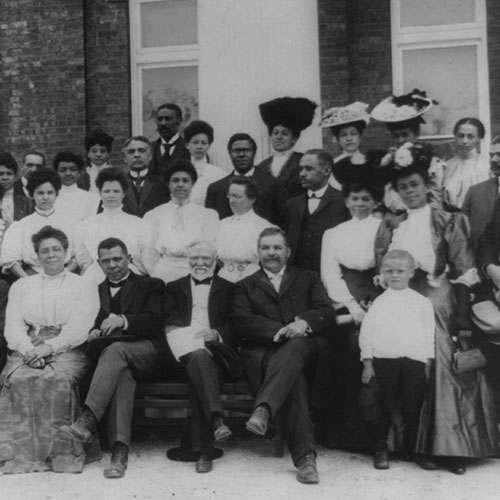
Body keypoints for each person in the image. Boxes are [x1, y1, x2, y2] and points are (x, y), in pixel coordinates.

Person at [377, 142, 499, 473]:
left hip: (439, 300)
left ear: (427, 184)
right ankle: (412, 446)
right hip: (404, 302)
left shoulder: (449, 219)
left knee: (444, 366)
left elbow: (462, 269)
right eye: (403, 187)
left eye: (414, 185)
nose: (409, 192)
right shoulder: (394, 223)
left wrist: (460, 313)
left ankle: (453, 448)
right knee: (406, 367)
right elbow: (384, 264)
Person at [232, 227, 336, 484]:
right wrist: (280, 330)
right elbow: (242, 321)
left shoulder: (308, 277)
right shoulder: (245, 286)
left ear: (287, 252)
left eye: (277, 247)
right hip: (265, 353)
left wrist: (302, 324)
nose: (271, 253)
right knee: (294, 381)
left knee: (297, 346)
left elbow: (325, 310)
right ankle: (306, 461)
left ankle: (264, 409)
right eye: (265, 248)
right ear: (258, 252)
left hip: (305, 349)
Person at [61, 237, 168, 479]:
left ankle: (88, 419)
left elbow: (155, 320)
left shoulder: (152, 284)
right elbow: (92, 321)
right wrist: (93, 331)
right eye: (106, 261)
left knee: (115, 350)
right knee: (121, 372)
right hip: (115, 363)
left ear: (128, 258)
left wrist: (122, 320)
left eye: (117, 259)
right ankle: (119, 452)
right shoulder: (95, 291)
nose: (112, 265)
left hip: (149, 352)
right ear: (98, 263)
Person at [0, 226, 99, 473]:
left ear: (66, 253)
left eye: (57, 249)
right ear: (37, 256)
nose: (51, 254)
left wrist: (50, 348)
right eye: (45, 251)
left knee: (57, 379)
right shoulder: (22, 286)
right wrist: (27, 350)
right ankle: (22, 453)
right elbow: (12, 325)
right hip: (29, 347)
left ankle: (60, 453)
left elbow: (81, 325)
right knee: (19, 378)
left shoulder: (83, 284)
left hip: (67, 345)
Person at [314, 180, 387, 449]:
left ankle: (375, 437)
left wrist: (374, 305)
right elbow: (329, 274)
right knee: (345, 351)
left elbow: (387, 267)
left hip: (378, 295)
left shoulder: (383, 228)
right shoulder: (333, 233)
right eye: (354, 198)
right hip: (344, 299)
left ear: (375, 202)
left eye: (366, 199)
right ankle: (342, 435)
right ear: (346, 201)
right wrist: (353, 307)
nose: (359, 204)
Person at [164, 240, 237, 473]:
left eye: (205, 258)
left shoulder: (230, 288)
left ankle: (203, 449)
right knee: (197, 358)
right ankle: (214, 429)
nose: (199, 263)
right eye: (194, 258)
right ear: (188, 260)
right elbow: (169, 322)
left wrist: (217, 333)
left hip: (217, 354)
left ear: (215, 261)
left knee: (201, 363)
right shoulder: (173, 287)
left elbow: (238, 325)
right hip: (181, 352)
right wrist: (187, 338)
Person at [360, 250, 435, 470]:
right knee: (386, 405)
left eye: (400, 271)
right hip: (386, 360)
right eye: (389, 271)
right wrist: (367, 362)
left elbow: (428, 333)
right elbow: (367, 333)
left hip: (414, 361)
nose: (394, 275)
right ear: (382, 272)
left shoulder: (422, 302)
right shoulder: (380, 302)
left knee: (413, 406)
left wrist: (428, 363)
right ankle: (381, 448)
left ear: (411, 273)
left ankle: (414, 449)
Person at [144, 159, 219, 284]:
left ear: (192, 184)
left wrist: (201, 274)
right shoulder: (155, 214)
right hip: (164, 272)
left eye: (185, 180)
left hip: (195, 271)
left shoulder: (207, 215)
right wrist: (157, 273)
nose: (180, 185)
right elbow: (148, 252)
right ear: (168, 184)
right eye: (175, 180)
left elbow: (211, 248)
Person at [371, 89, 445, 214]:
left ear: (415, 134)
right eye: (396, 136)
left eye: (405, 134)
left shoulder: (432, 164)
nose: (400, 140)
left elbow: (436, 201)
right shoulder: (388, 163)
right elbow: (381, 198)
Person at [75, 167, 152, 283]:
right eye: (106, 191)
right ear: (100, 193)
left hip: (129, 273)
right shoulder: (86, 224)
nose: (111, 195)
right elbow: (83, 256)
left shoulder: (138, 223)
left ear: (124, 194)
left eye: (116, 191)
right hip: (96, 275)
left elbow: (142, 256)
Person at [1, 167, 77, 278]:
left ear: (56, 194)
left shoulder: (70, 223)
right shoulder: (21, 226)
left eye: (50, 192)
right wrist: (27, 279)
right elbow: (11, 259)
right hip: (32, 276)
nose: (45, 197)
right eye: (40, 193)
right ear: (32, 195)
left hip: (66, 274)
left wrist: (64, 274)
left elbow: (77, 257)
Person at [206, 133, 288, 227]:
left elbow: (284, 222)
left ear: (254, 153)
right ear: (229, 153)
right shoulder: (215, 189)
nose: (241, 154)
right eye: (236, 151)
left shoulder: (273, 185)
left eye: (246, 150)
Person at [285, 149, 347, 273]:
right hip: (299, 276)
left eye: (309, 169)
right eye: (300, 169)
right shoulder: (292, 204)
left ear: (327, 170)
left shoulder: (343, 202)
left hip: (333, 274)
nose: (302, 174)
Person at [216, 177, 275, 282]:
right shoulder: (221, 224)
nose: (232, 201)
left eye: (237, 196)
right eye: (230, 196)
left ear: (252, 199)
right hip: (223, 279)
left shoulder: (264, 227)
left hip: (253, 280)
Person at [256, 96, 317, 197]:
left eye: (284, 133)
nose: (279, 137)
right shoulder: (262, 166)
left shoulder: (304, 161)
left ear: (294, 138)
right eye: (275, 133)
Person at [320, 101, 370, 190]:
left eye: (353, 134)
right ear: (338, 139)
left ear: (360, 137)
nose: (349, 138)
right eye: (343, 135)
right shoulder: (333, 165)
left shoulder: (369, 162)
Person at [443, 118, 490, 211]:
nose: (464, 141)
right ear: (455, 137)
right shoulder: (446, 166)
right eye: (461, 136)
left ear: (479, 139)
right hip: (453, 221)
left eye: (470, 136)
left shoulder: (487, 165)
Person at [462, 135, 500, 251]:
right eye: (491, 155)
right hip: (483, 265)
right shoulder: (474, 193)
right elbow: (463, 237)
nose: (493, 159)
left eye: (499, 154)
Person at [121, 135, 171, 218]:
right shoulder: (118, 184)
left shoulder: (163, 183)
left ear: (150, 156)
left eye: (141, 151)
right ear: (125, 158)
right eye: (131, 151)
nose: (136, 155)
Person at [183, 120, 226, 205]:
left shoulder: (219, 174)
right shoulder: (180, 171)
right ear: (187, 145)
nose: (199, 146)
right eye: (195, 142)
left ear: (209, 145)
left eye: (204, 143)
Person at [52, 150, 99, 221]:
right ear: (56, 173)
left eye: (73, 170)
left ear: (79, 172)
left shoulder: (90, 198)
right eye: (63, 170)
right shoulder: (51, 198)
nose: (68, 173)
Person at [149, 103, 190, 178]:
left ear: (179, 121)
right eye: (160, 119)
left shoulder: (189, 149)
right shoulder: (149, 148)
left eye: (168, 119)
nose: (163, 123)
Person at [0, 152, 33, 228]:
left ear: (15, 175)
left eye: (9, 173)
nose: (5, 177)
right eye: (1, 174)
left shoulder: (27, 203)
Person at [79, 129, 114, 193]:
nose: (98, 154)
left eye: (102, 151)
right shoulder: (83, 177)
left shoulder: (115, 174)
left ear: (108, 154)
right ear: (88, 154)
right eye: (94, 151)